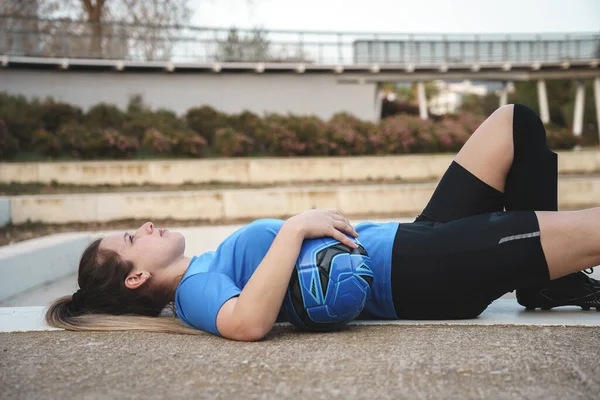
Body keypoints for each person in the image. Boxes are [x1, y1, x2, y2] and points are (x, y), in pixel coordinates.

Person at [46, 104, 600, 341]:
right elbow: (246, 323)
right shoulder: (193, 293)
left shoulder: (205, 266)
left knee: (513, 124)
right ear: (136, 278)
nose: (144, 227)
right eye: (130, 239)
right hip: (420, 275)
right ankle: (547, 274)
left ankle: (546, 281)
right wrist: (293, 228)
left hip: (414, 240)